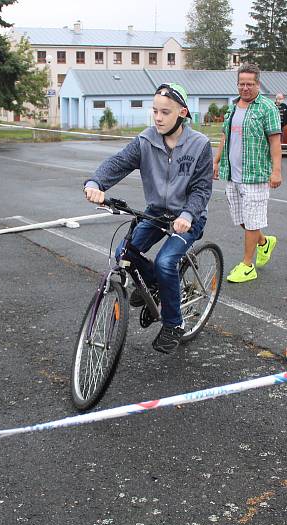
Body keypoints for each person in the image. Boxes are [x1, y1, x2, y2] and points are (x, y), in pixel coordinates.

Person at [84, 83, 213, 354]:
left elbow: (202, 189)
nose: (158, 117)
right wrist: (97, 183)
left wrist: (188, 215)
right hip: (156, 212)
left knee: (167, 261)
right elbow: (118, 163)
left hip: (189, 216)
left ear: (182, 113)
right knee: (125, 252)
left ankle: (173, 324)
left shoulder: (199, 144)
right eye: (154, 111)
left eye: (165, 112)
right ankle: (155, 284)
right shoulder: (146, 140)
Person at [213, 63, 282, 284]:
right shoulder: (233, 108)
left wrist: (276, 171)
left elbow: (275, 141)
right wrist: (215, 162)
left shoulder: (267, 108)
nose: (245, 88)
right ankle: (264, 242)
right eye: (241, 84)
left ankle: (247, 265)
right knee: (242, 219)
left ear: (258, 84)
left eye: (249, 84)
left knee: (252, 222)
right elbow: (224, 137)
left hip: (256, 175)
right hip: (233, 175)